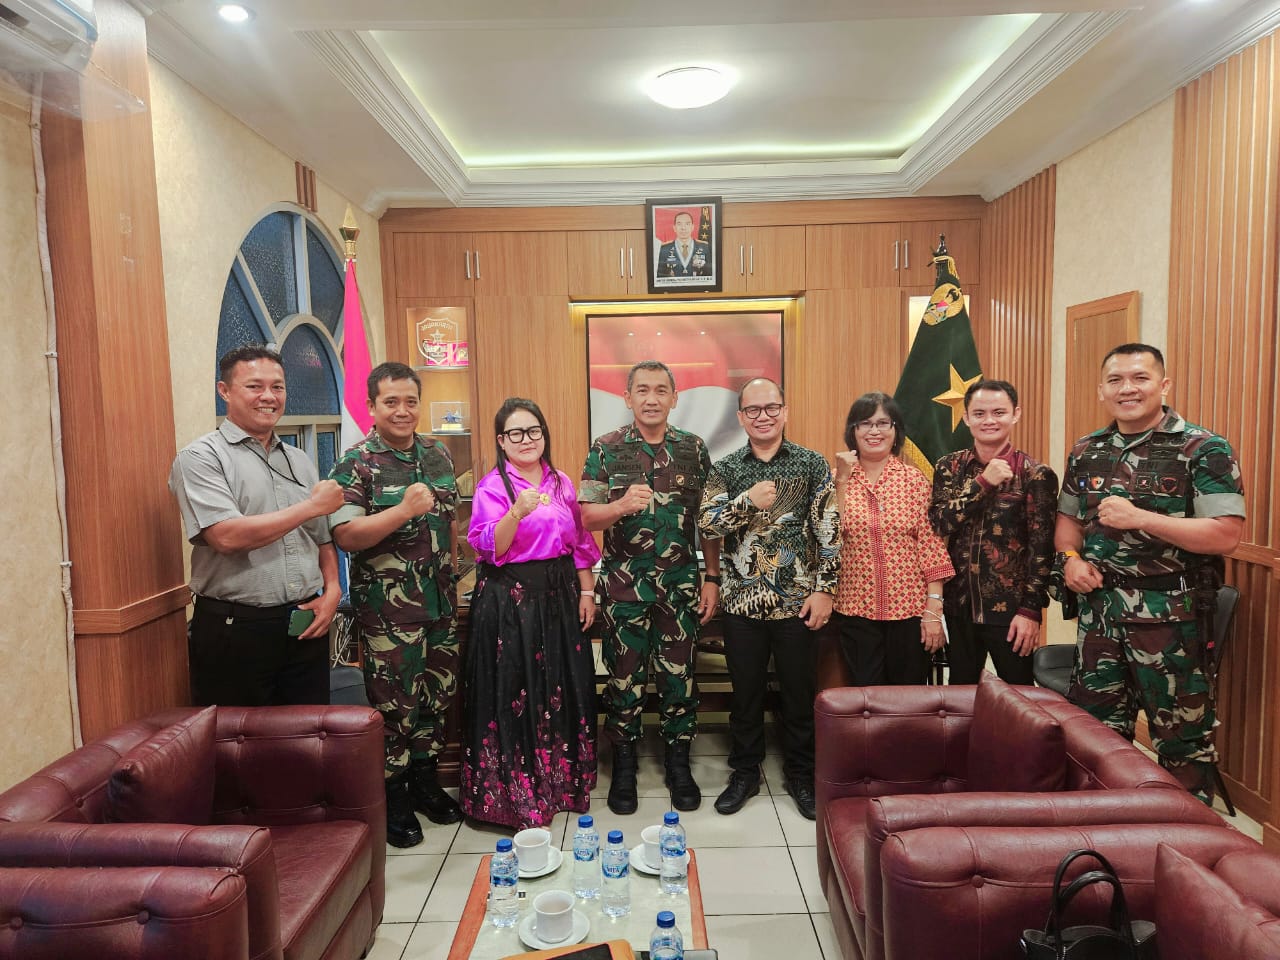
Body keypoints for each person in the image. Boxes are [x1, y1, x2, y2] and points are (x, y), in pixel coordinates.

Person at [1057, 343, 1244, 804]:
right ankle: (1103, 834)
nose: (1128, 389)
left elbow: (1225, 534)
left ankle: (1183, 841)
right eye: (1116, 380)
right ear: (1101, 390)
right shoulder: (1087, 450)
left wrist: (1142, 518)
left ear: (1163, 385)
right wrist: (1071, 560)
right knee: (1093, 739)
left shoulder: (1203, 448)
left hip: (1171, 622)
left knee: (1182, 747)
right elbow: (1067, 524)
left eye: (1140, 378)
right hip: (1100, 618)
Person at [328, 362, 464, 849]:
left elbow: (449, 521)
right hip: (389, 613)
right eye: (391, 402)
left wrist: (454, 571)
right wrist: (403, 510)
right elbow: (346, 535)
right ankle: (395, 795)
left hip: (440, 604)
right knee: (394, 708)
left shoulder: (437, 453)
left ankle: (426, 782)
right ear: (372, 406)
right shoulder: (356, 462)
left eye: (410, 401)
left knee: (435, 699)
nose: (402, 411)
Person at [579, 360, 721, 815]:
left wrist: (712, 577)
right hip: (624, 591)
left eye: (661, 390)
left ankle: (679, 764)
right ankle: (624, 766)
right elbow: (586, 517)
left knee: (680, 679)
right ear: (628, 398)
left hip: (680, 589)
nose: (652, 398)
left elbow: (708, 522)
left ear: (674, 398)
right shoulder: (605, 448)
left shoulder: (693, 449)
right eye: (642, 390)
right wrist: (620, 506)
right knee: (624, 679)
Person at [697, 378, 839, 820]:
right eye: (753, 410)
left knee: (799, 694)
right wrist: (747, 502)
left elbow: (829, 529)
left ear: (785, 411)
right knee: (746, 694)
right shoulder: (726, 468)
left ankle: (801, 774)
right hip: (742, 603)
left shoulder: (811, 463)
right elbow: (707, 525)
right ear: (741, 417)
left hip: (797, 602)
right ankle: (745, 773)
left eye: (771, 407)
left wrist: (824, 589)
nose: (763, 416)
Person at [169, 344, 342, 707]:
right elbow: (226, 536)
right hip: (236, 628)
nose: (268, 396)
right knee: (239, 736)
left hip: (305, 622)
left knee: (307, 732)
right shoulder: (201, 457)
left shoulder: (298, 459)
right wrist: (310, 506)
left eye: (277, 387)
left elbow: (321, 537)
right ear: (224, 391)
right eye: (254, 386)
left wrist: (332, 590)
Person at [461, 398, 601, 828]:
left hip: (559, 598)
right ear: (502, 441)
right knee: (516, 694)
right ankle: (517, 796)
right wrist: (516, 513)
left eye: (534, 431)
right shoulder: (492, 486)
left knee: (563, 686)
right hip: (511, 603)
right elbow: (491, 547)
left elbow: (580, 541)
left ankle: (562, 784)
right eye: (516, 433)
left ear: (544, 435)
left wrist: (587, 591)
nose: (527, 440)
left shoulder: (560, 481)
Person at [929, 379, 1058, 685]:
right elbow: (939, 522)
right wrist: (982, 483)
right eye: (979, 413)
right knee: (961, 694)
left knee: (1018, 697)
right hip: (959, 606)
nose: (989, 420)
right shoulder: (949, 467)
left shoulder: (1035, 474)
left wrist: (1030, 611)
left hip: (1011, 611)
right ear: (966, 418)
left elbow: (1042, 550)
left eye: (999, 412)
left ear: (1016, 414)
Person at [832, 392, 953, 686]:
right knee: (866, 697)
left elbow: (931, 546)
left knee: (907, 699)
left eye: (883, 423)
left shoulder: (914, 480)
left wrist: (933, 610)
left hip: (910, 611)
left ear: (895, 430)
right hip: (855, 610)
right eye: (865, 423)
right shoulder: (836, 479)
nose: (874, 431)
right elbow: (830, 535)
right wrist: (841, 482)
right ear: (853, 430)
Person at [656, 211, 711, 278]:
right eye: (679, 224)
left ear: (692, 227)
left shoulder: (704, 247)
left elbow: (710, 275)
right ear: (674, 228)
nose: (683, 228)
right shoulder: (664, 249)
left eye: (687, 224)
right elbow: (660, 276)